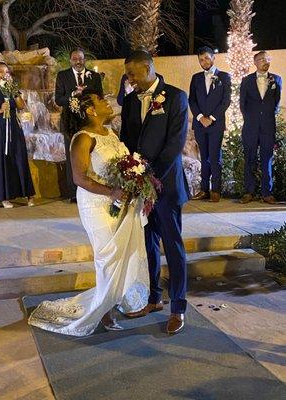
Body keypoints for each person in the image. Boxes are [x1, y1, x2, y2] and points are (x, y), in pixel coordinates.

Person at [28, 89, 149, 336]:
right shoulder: (82, 138)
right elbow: (79, 178)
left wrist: (134, 183)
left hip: (119, 201)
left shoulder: (110, 132)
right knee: (107, 257)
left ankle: (113, 299)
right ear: (90, 110)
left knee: (121, 254)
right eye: (101, 100)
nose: (107, 102)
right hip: (96, 204)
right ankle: (104, 311)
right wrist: (111, 191)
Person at [120, 50, 189, 335]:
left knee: (173, 246)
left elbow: (175, 145)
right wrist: (129, 174)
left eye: (133, 74)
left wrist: (148, 178)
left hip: (167, 186)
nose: (130, 80)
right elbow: (126, 140)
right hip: (140, 187)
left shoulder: (175, 97)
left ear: (148, 68)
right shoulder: (128, 101)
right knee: (147, 244)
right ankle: (153, 298)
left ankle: (178, 308)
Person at [55, 48, 103, 202]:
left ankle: (92, 189)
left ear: (84, 59)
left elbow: (100, 97)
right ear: (70, 60)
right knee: (72, 156)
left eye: (81, 58)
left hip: (89, 122)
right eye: (75, 58)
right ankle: (73, 193)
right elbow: (58, 99)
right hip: (70, 122)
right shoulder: (62, 76)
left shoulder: (94, 76)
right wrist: (72, 96)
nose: (78, 61)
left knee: (90, 154)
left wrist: (86, 96)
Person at [0, 62, 35, 208]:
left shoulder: (11, 88)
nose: (3, 74)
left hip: (14, 127)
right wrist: (1, 110)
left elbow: (21, 106)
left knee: (19, 156)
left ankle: (29, 194)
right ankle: (4, 197)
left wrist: (13, 91)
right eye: (0, 72)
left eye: (6, 72)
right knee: (1, 159)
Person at [189, 46, 231, 202]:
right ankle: (204, 189)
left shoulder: (224, 77)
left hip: (216, 124)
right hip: (200, 125)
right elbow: (191, 100)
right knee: (203, 157)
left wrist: (211, 117)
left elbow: (226, 101)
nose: (204, 61)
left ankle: (216, 190)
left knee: (215, 157)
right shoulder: (196, 78)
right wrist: (200, 117)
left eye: (206, 58)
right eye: (201, 59)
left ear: (214, 58)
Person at [240, 51, 282, 204]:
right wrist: (252, 119)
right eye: (262, 59)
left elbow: (276, 104)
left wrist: (266, 118)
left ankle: (267, 193)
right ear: (255, 62)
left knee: (267, 159)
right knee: (249, 159)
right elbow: (242, 104)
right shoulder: (246, 81)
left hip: (268, 127)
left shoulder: (277, 79)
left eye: (268, 59)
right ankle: (249, 192)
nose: (266, 61)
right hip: (250, 127)